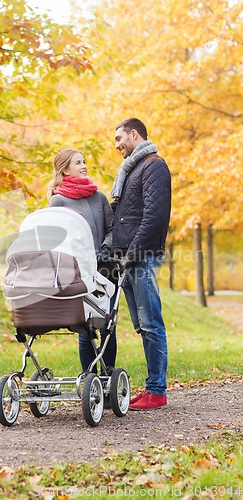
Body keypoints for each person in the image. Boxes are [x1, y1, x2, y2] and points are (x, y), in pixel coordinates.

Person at [111, 118, 171, 410]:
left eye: (119, 137)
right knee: (142, 326)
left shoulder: (153, 166)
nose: (117, 145)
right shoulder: (133, 169)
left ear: (135, 134)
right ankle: (152, 387)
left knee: (151, 324)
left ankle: (157, 391)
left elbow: (155, 217)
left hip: (142, 256)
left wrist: (132, 252)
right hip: (130, 257)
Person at [48, 148, 117, 373]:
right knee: (85, 329)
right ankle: (90, 381)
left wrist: (106, 248)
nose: (84, 165)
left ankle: (108, 381)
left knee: (107, 326)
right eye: (78, 163)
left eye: (84, 161)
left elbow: (112, 228)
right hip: (77, 272)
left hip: (105, 269)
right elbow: (54, 238)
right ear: (65, 169)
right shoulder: (58, 201)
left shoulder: (98, 197)